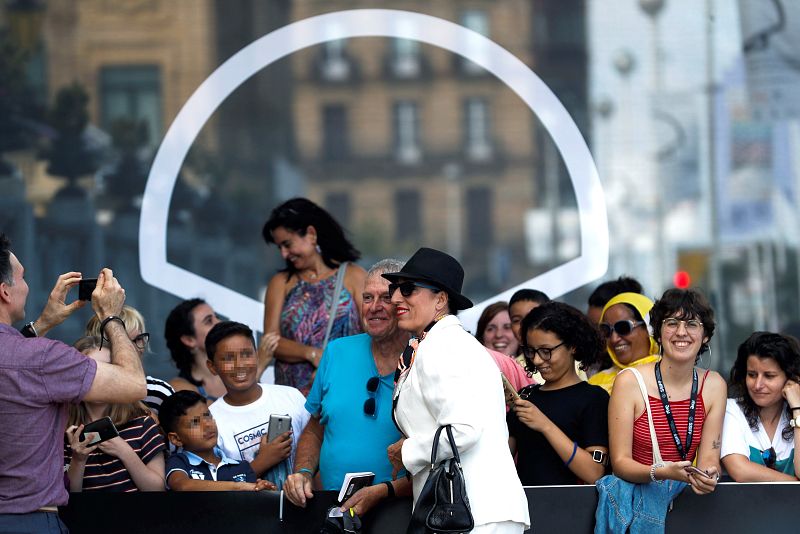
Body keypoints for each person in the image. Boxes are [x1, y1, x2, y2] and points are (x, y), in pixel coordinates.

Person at [0, 233, 145, 533]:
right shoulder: (42, 359)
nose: (27, 286)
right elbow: (134, 384)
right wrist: (111, 317)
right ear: (5, 292)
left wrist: (42, 325)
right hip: (28, 521)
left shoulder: (30, 358)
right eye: (23, 277)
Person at [384, 247, 529, 534]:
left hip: (474, 513)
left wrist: (407, 450)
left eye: (408, 289)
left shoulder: (444, 346)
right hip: (472, 511)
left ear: (440, 299)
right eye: (394, 289)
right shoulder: (443, 343)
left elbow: (464, 429)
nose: (396, 298)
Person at [284, 259, 412, 516]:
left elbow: (436, 454)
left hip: (398, 509)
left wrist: (384, 491)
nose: (374, 307)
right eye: (367, 297)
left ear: (404, 304)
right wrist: (303, 472)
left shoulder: (424, 358)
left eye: (385, 298)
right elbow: (315, 429)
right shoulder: (336, 352)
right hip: (334, 508)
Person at [597, 289, 727, 533]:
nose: (681, 332)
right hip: (636, 507)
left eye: (692, 324)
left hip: (689, 508)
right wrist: (660, 472)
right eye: (672, 323)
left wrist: (710, 476)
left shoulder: (714, 384)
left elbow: (710, 460)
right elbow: (620, 463)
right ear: (657, 332)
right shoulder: (629, 381)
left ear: (705, 336)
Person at [262, 197, 366, 396]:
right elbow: (271, 342)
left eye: (287, 244)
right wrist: (311, 354)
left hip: (343, 391)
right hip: (291, 399)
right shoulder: (281, 282)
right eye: (279, 247)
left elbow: (374, 335)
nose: (284, 254)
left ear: (311, 234)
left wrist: (335, 362)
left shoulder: (354, 276)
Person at [507, 301, 609, 485]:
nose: (537, 360)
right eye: (531, 351)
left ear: (573, 346)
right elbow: (501, 463)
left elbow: (594, 473)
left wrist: (545, 425)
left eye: (546, 351)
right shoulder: (525, 397)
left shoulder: (594, 398)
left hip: (571, 502)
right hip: (525, 502)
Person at [206, 321, 310, 489]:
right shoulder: (211, 421)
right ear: (212, 367)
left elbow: (316, 451)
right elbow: (214, 486)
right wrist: (263, 460)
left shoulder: (291, 396)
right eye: (228, 358)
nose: (239, 364)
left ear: (257, 355)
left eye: (246, 354)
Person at [65, 336, 166, 492]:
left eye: (108, 368)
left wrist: (124, 451)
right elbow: (68, 498)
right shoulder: (66, 433)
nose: (99, 377)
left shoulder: (143, 425)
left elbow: (157, 489)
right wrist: (78, 460)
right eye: (90, 369)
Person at [160, 390, 277, 491]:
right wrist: (238, 487)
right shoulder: (179, 462)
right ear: (176, 439)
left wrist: (262, 488)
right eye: (195, 423)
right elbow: (182, 485)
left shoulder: (241, 467)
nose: (207, 424)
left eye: (208, 416)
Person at [721, 331, 800, 481]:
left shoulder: (797, 410)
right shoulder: (732, 409)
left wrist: (797, 409)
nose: (758, 385)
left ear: (790, 377)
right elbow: (740, 470)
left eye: (769, 376)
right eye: (752, 375)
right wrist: (793, 483)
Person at [86, 305, 174, 417]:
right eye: (123, 342)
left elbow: (188, 427)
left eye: (138, 339)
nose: (133, 349)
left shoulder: (159, 393)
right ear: (98, 347)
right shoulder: (81, 393)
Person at [588, 292, 661, 394]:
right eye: (606, 330)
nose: (614, 339)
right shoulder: (596, 384)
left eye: (623, 327)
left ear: (649, 328)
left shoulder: (674, 374)